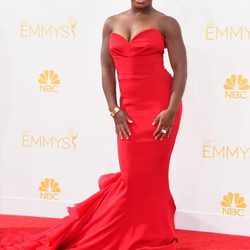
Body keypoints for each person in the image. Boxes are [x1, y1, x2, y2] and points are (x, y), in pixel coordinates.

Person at [0, 0, 187, 249]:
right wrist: (114, 108)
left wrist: (171, 110)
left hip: (160, 110)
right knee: (132, 177)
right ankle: (130, 229)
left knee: (153, 176)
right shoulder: (111, 23)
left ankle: (154, 232)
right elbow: (107, 68)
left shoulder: (167, 23)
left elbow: (180, 68)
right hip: (128, 111)